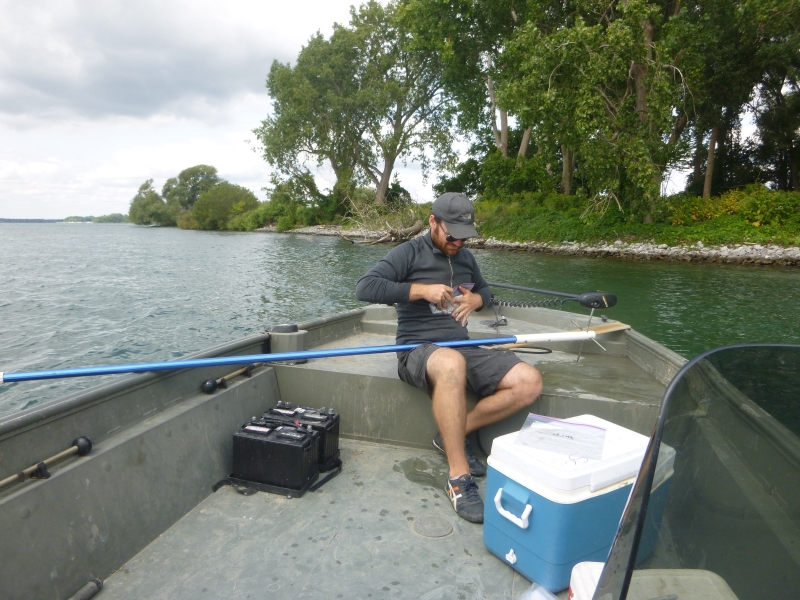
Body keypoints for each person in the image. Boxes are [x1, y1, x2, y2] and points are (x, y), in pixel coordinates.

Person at [356, 192, 542, 523]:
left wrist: (478, 301)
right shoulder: (408, 253)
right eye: (451, 233)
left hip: (462, 348)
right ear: (433, 222)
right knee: (451, 363)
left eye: (464, 235)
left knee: (528, 381)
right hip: (415, 349)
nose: (457, 241)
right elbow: (366, 287)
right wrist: (419, 290)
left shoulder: (466, 258)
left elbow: (484, 291)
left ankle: (452, 433)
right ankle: (458, 479)